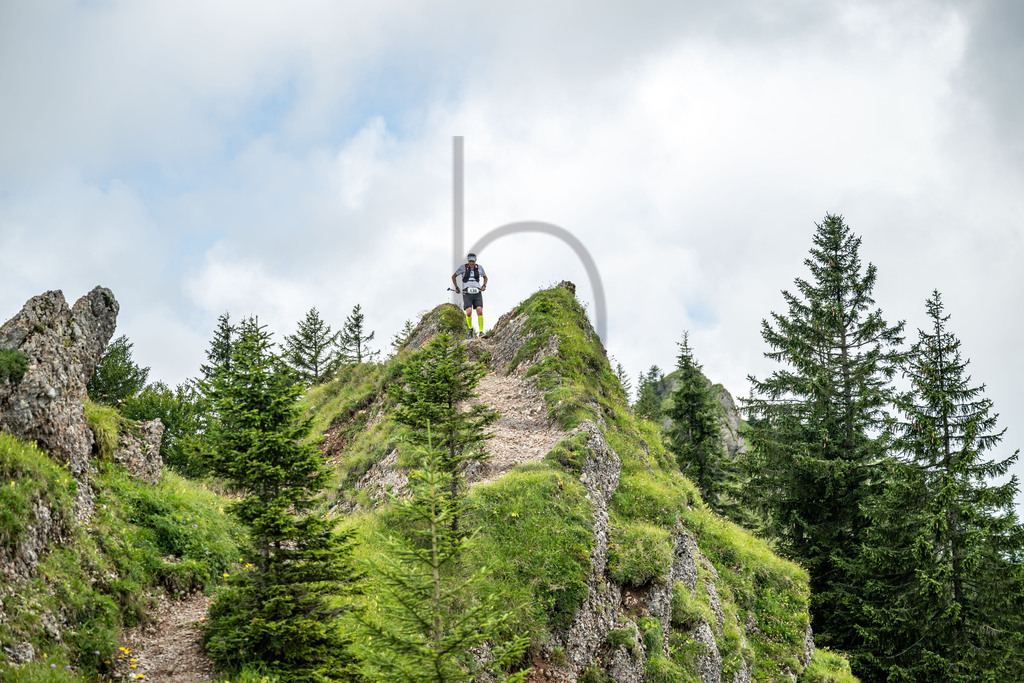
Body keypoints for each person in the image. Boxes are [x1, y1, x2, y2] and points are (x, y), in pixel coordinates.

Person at [451, 253, 487, 339]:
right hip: (467, 293)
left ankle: (481, 332)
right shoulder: (463, 267)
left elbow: (485, 277)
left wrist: (484, 285)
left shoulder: (479, 268)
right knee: (469, 312)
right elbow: (453, 276)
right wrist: (456, 287)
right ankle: (470, 330)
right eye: (470, 261)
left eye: (473, 261)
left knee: (479, 310)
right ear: (468, 261)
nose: (471, 263)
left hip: (477, 292)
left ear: (475, 260)